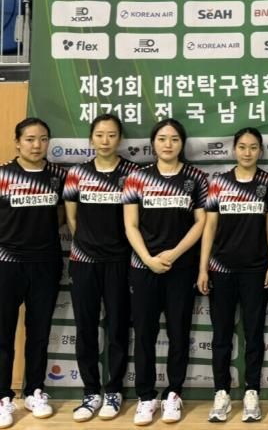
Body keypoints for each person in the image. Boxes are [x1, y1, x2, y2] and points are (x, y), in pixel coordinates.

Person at [122, 118, 207, 426]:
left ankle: (173, 393)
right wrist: (147, 258)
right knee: (144, 333)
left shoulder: (195, 177)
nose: (168, 144)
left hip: (180, 267)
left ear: (182, 143)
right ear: (153, 143)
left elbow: (201, 222)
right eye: (162, 139)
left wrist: (174, 253)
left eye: (174, 139)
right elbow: (130, 225)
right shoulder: (137, 177)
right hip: (143, 267)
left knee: (178, 332)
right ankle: (145, 397)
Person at [198, 127, 268, 423]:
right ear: (234, 149)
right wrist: (203, 267)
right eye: (242, 146)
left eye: (253, 147)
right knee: (221, 334)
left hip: (256, 270)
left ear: (260, 151)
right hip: (220, 269)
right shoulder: (219, 183)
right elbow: (209, 227)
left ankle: (252, 392)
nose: (247, 152)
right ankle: (221, 392)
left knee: (254, 334)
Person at [63, 114, 139, 422]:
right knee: (86, 328)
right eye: (99, 134)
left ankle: (114, 390)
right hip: (84, 262)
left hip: (120, 262)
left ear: (119, 139)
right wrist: (87, 246)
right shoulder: (77, 174)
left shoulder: (132, 173)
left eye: (111, 135)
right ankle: (91, 391)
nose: (105, 140)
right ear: (91, 138)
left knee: (118, 328)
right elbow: (72, 219)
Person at [0, 118, 66, 429]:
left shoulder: (58, 177)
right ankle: (3, 397)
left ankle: (34, 391)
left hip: (46, 263)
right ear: (17, 142)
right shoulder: (3, 175)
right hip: (6, 263)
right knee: (3, 333)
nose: (36, 145)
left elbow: (63, 216)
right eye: (29, 139)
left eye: (42, 139)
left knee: (39, 332)